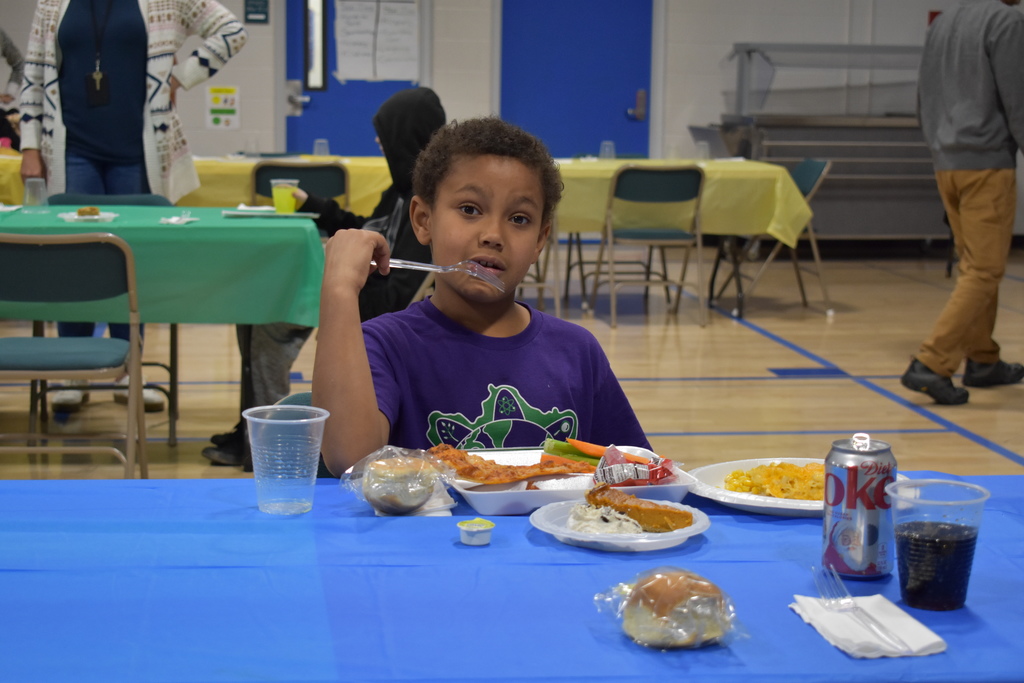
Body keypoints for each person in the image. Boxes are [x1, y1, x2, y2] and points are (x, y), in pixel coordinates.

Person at [312, 117, 650, 475]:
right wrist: (339, 289)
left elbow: (635, 471)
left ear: (540, 239)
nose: (493, 234)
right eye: (470, 210)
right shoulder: (384, 345)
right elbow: (350, 460)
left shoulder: (577, 351)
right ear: (424, 220)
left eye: (519, 218)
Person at [19, 0, 247, 412]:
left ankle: (130, 369)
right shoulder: (52, 4)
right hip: (70, 150)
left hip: (139, 153)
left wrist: (180, 77)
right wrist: (30, 145)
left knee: (131, 262)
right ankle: (74, 370)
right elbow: (34, 75)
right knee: (75, 259)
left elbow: (232, 32)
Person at [202, 87, 445, 466]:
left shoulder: (426, 205)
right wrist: (314, 205)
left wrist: (337, 281)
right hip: (358, 290)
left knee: (267, 316)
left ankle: (266, 440)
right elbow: (366, 229)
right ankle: (253, 425)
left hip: (366, 306)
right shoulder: (399, 192)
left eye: (385, 135)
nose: (379, 141)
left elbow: (396, 298)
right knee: (255, 309)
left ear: (405, 137)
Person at [901, 0, 1024, 405]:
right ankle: (932, 363)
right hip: (986, 162)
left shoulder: (945, 20)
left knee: (973, 264)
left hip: (946, 162)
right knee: (985, 269)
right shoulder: (1006, 20)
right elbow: (1018, 95)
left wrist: (940, 148)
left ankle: (984, 359)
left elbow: (923, 96)